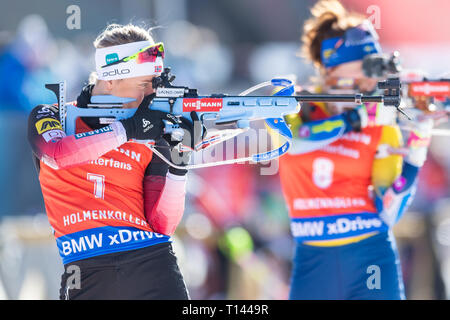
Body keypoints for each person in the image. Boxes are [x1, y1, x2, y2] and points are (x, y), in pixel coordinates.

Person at [273, 0, 445, 299]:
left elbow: (389, 210)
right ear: (332, 69)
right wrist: (357, 117)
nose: (371, 78)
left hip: (370, 259)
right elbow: (295, 141)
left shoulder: (381, 123)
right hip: (314, 263)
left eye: (375, 66)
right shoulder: (296, 103)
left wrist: (418, 141)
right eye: (364, 67)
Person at [27, 23, 198, 300]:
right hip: (84, 271)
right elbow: (59, 154)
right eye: (144, 85)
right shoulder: (52, 115)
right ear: (110, 81)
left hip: (151, 263)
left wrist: (179, 167)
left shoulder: (150, 129)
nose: (151, 95)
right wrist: (127, 130)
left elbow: (162, 225)